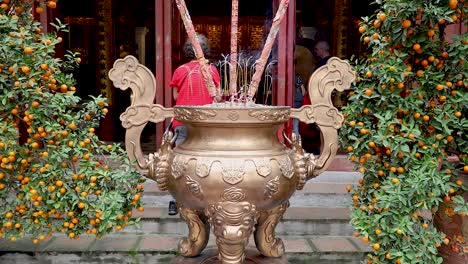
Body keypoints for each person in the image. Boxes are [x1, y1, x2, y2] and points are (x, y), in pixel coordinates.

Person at [167, 34, 221, 215]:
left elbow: (175, 97)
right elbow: (218, 97)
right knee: (207, 164)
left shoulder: (180, 70)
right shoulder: (211, 71)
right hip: (205, 125)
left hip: (183, 122)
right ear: (205, 50)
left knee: (180, 165)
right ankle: (207, 201)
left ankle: (177, 201)